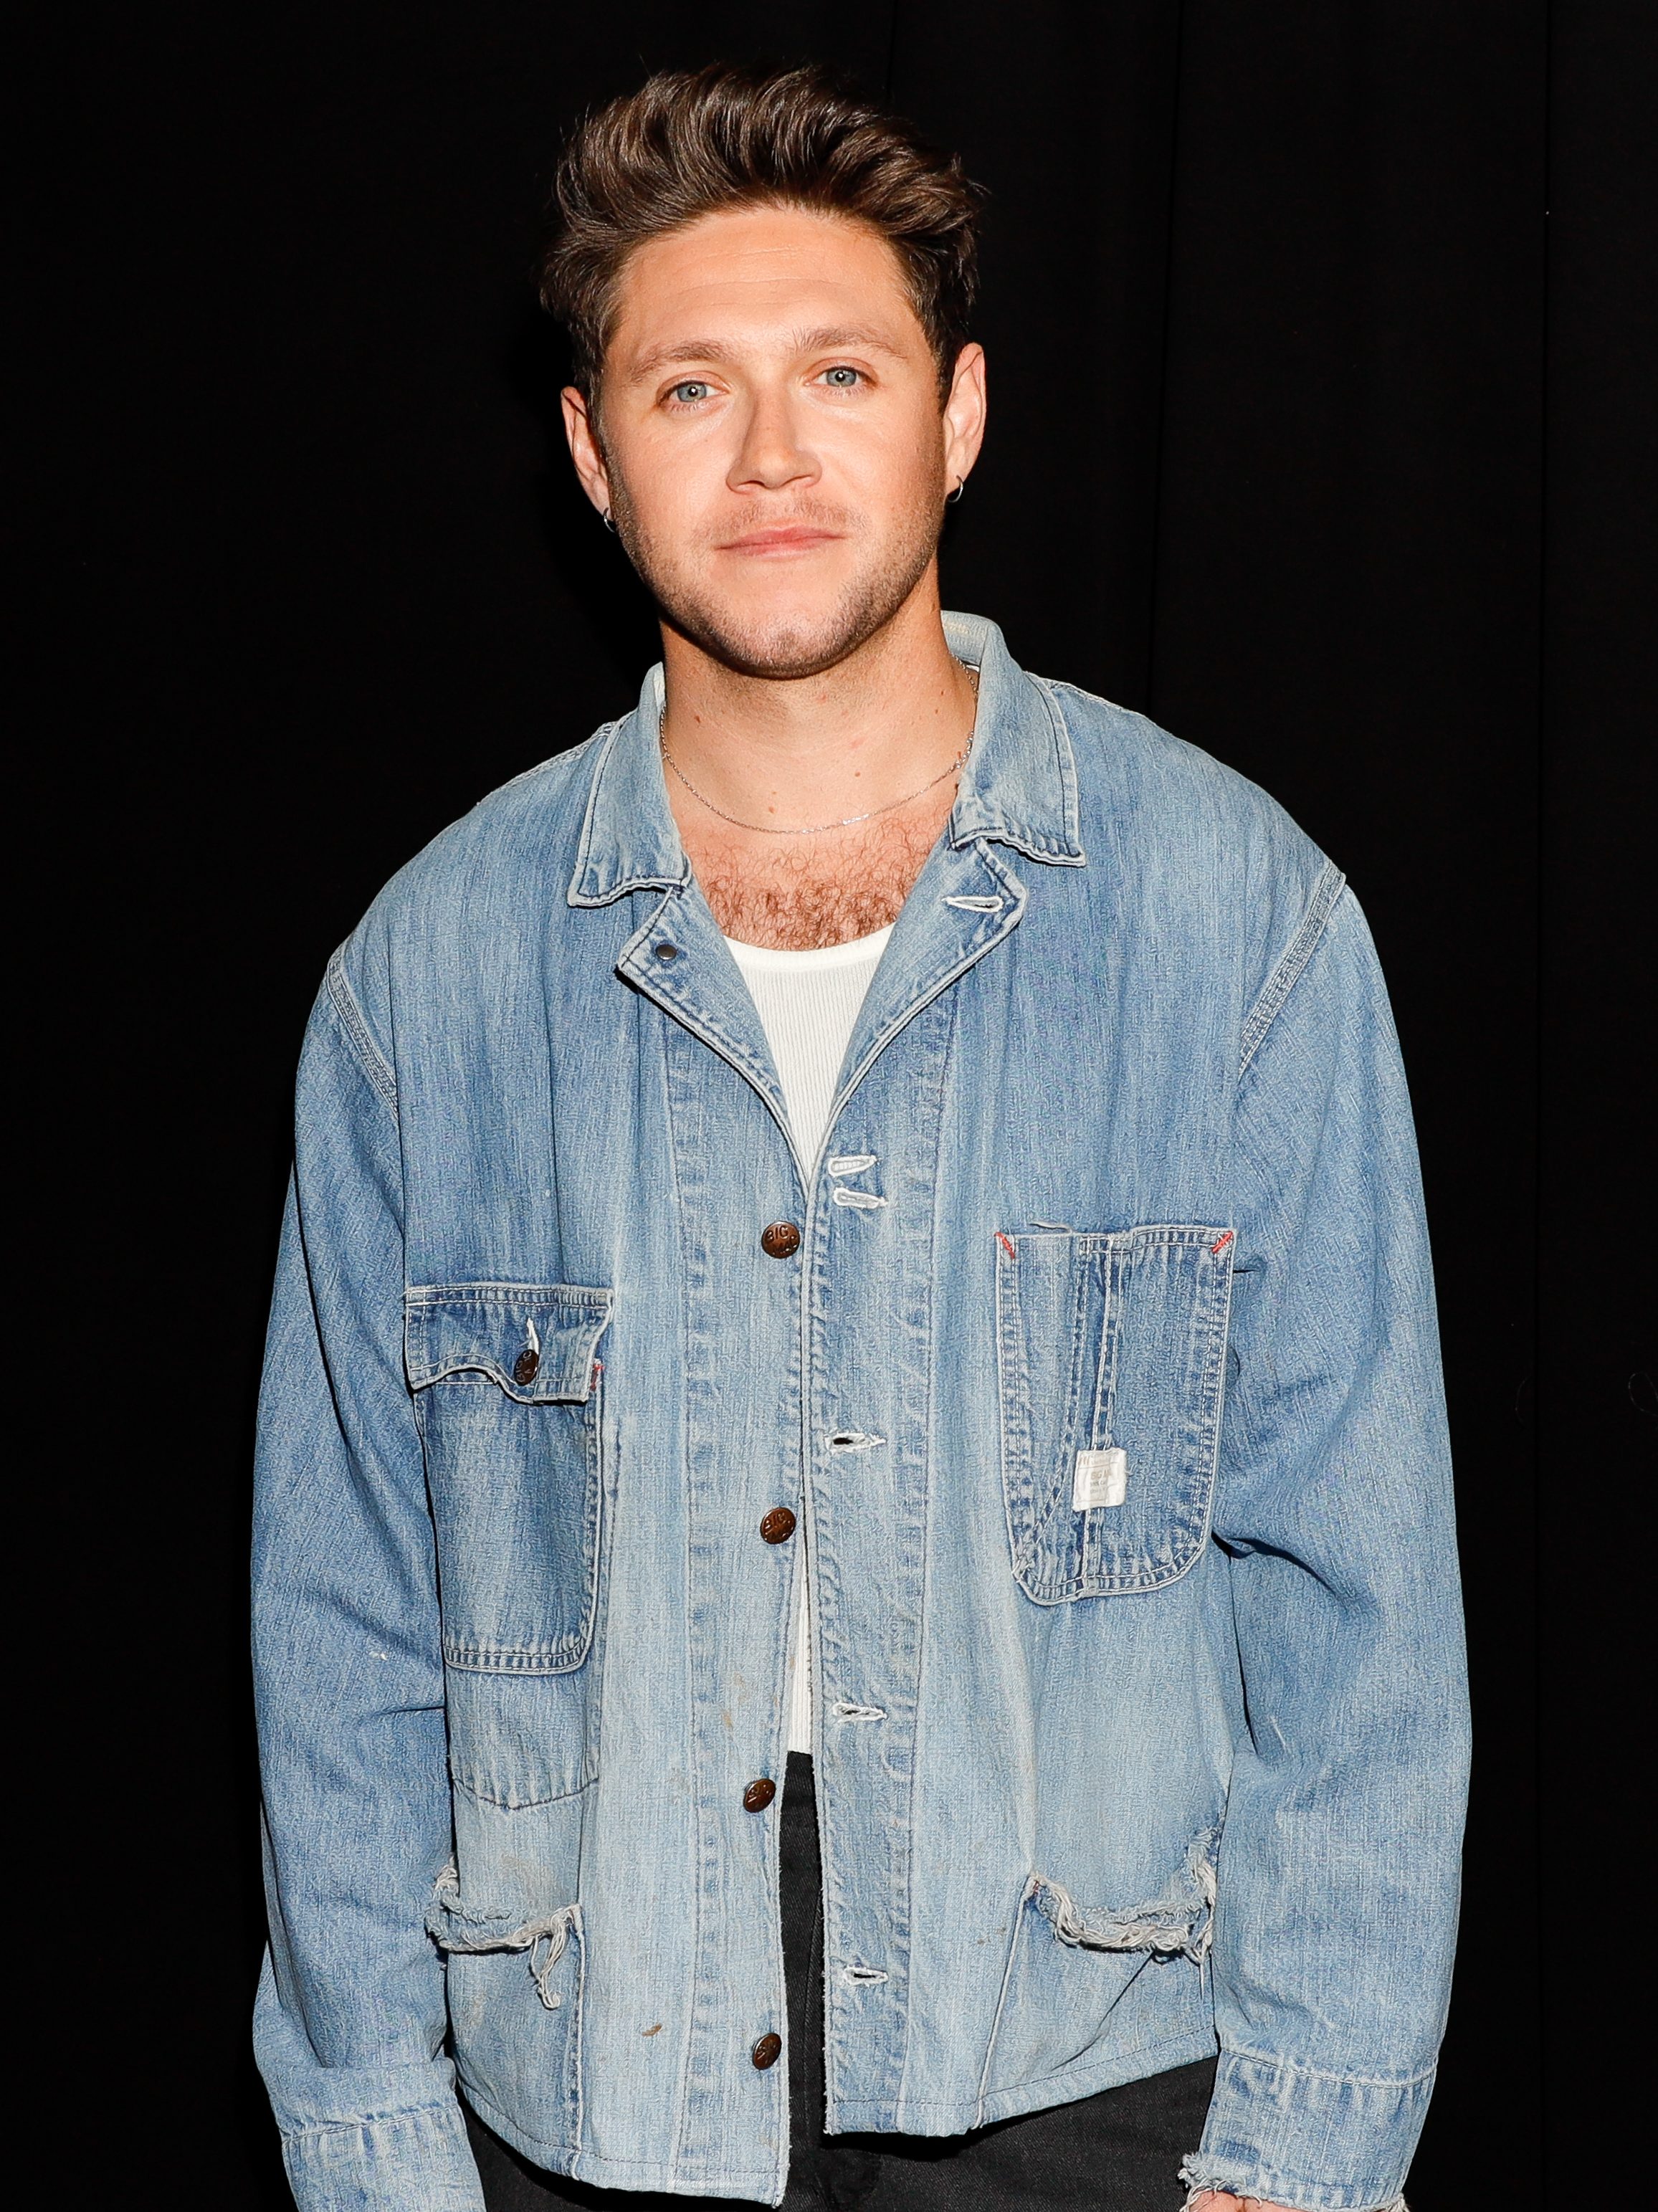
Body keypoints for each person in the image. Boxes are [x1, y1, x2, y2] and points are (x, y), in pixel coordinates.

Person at [252, 63, 1468, 2212]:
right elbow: (343, 1626)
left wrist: (1304, 2151)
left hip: (1099, 2081)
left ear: (956, 415)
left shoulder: (1231, 919)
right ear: (591, 455)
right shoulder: (428, 982)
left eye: (840, 371)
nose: (772, 454)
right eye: (689, 389)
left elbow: (1361, 1605)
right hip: (583, 2092)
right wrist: (374, 2152)